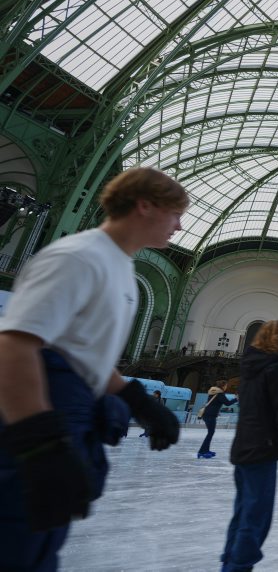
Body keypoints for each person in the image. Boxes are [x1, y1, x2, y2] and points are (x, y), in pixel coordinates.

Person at [0, 167, 187, 571]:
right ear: (145, 205)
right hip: (35, 425)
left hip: (70, 420)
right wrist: (40, 446)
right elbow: (14, 346)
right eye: (175, 213)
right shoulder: (77, 257)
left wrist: (139, 402)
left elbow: (82, 356)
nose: (179, 225)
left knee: (40, 549)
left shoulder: (121, 267)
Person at [222, 320, 278, 572]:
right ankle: (237, 568)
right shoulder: (275, 368)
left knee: (242, 514)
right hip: (262, 451)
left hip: (243, 449)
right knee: (256, 519)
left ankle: (229, 563)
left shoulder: (251, 367)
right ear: (277, 338)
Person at [198, 380, 238, 459]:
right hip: (210, 415)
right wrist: (236, 399)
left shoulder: (213, 392)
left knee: (210, 433)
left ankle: (206, 450)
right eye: (226, 385)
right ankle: (202, 451)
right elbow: (227, 403)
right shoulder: (220, 393)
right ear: (223, 386)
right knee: (210, 433)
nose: (226, 387)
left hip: (207, 414)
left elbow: (215, 404)